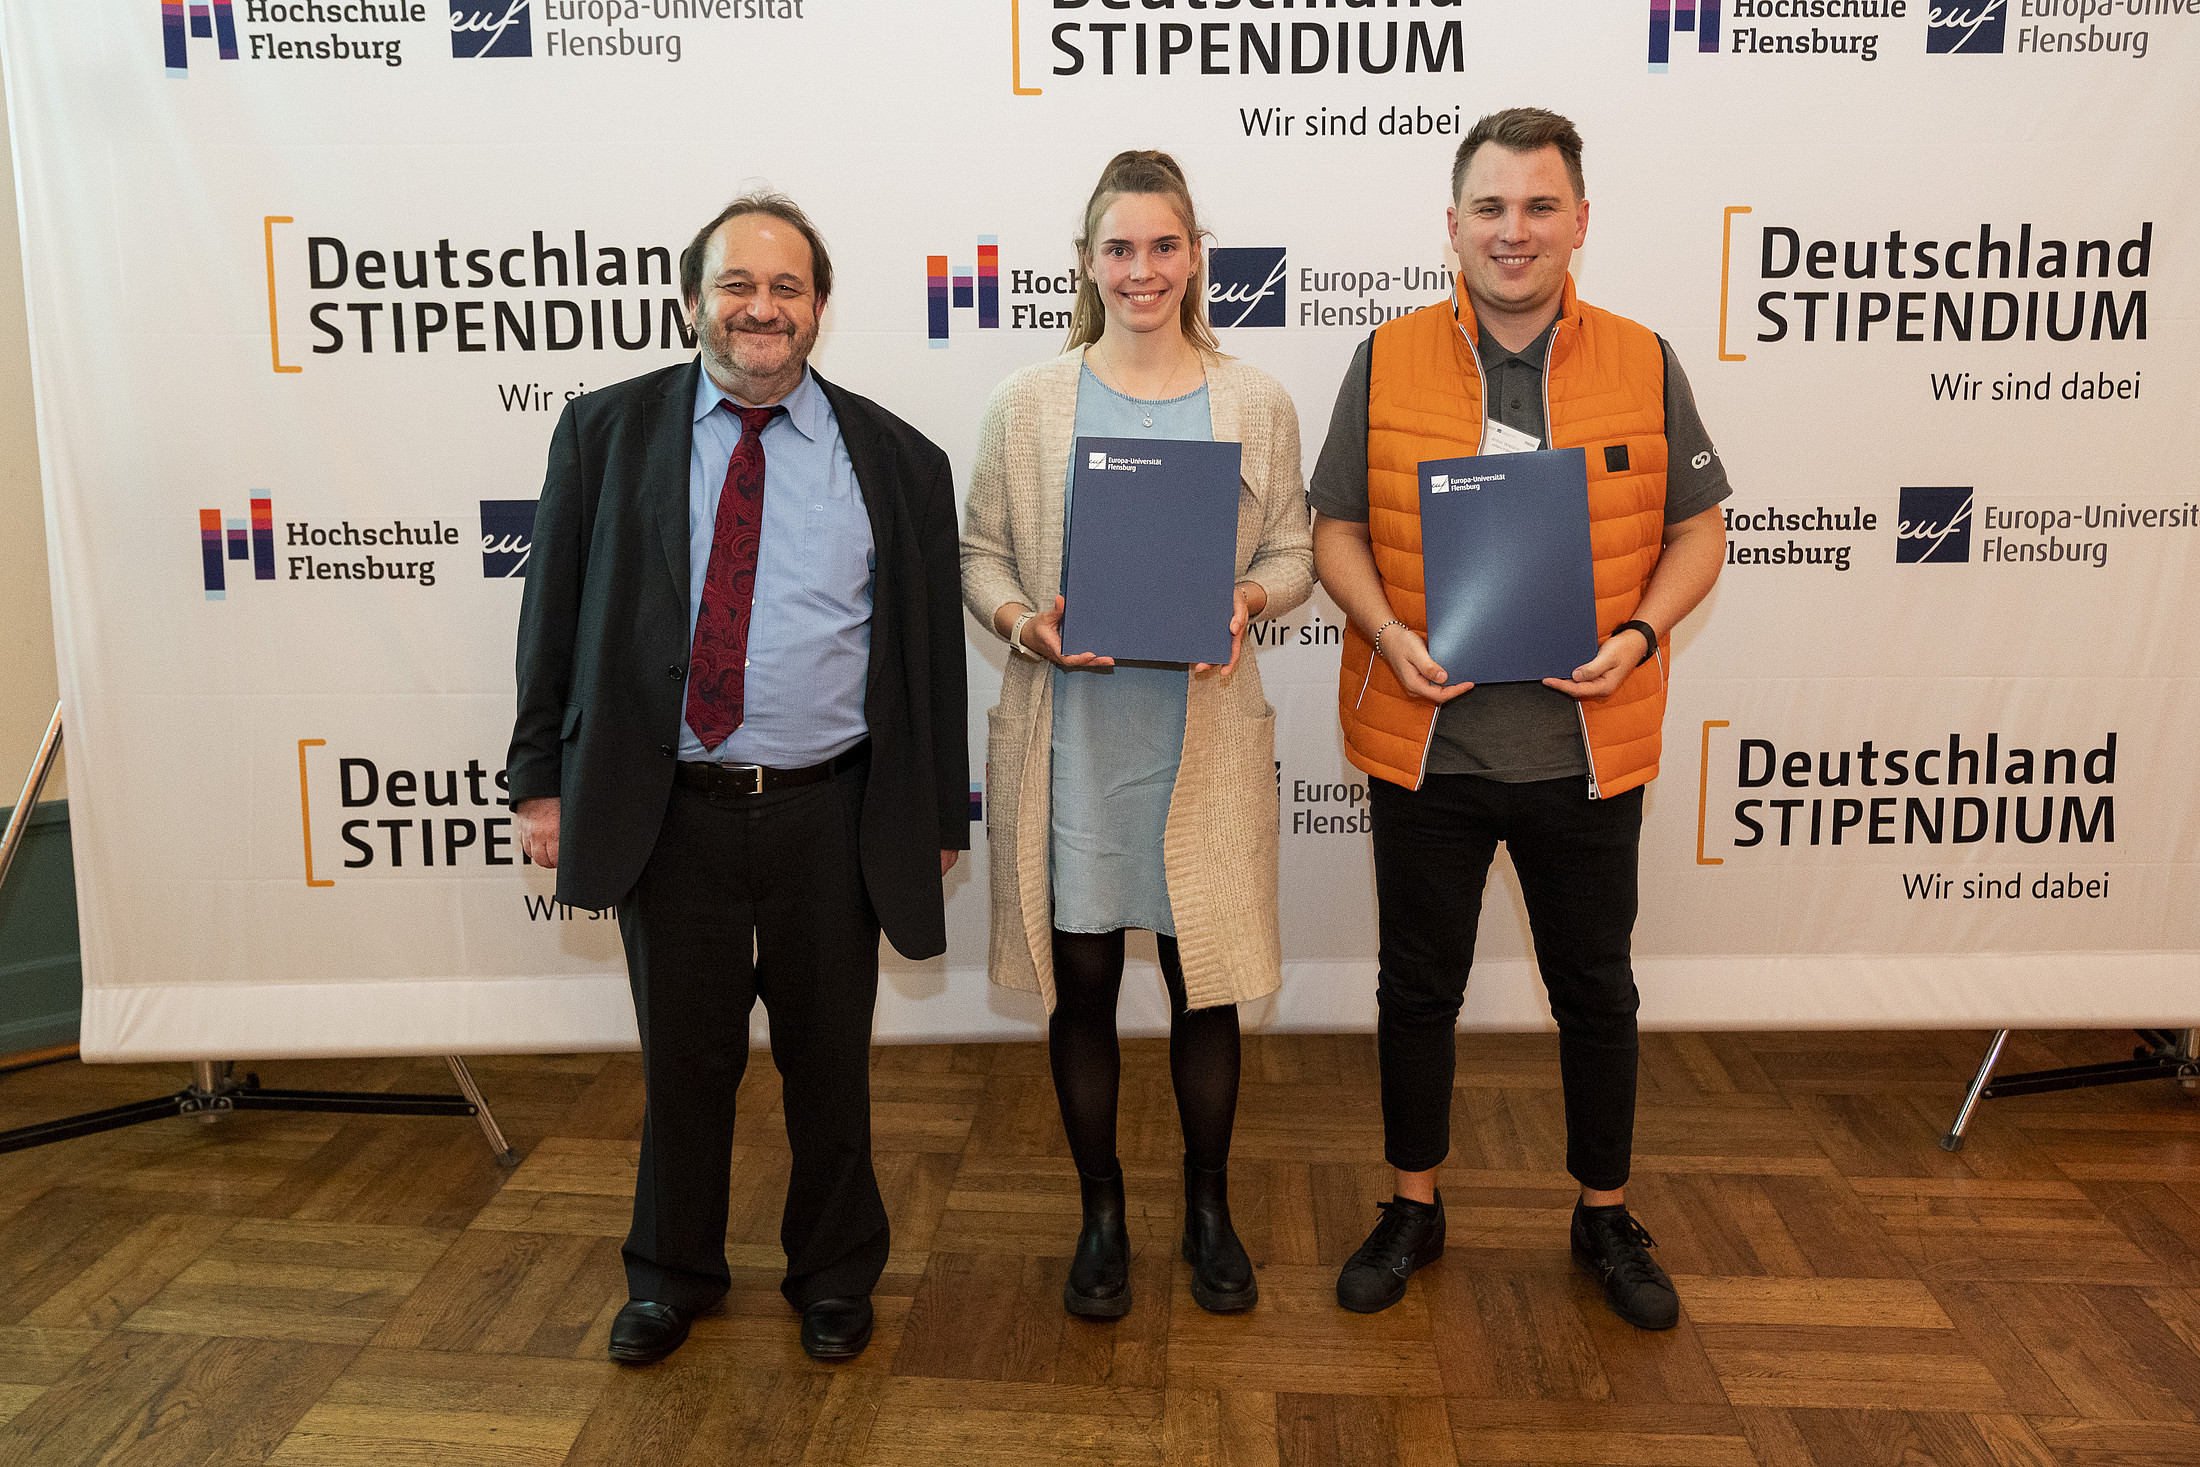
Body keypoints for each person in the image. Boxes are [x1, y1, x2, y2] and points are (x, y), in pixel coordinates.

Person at [505, 191, 967, 1365]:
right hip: (671, 813)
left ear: (819, 308)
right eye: (737, 285)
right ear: (692, 301)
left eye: (786, 287)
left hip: (833, 812)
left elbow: (926, 660)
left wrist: (934, 810)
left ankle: (833, 1274)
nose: (762, 308)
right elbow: (550, 618)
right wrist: (539, 782)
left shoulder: (899, 460)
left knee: (830, 1065)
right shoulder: (605, 434)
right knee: (684, 1064)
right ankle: (670, 1276)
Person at [1308, 108, 1729, 1330]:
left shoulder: (1643, 360)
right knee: (1416, 990)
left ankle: (1605, 1213)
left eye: (1539, 206)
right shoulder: (1385, 359)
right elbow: (1334, 526)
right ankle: (1412, 1206)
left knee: (1595, 992)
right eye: (1490, 207)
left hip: (1583, 751)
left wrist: (1637, 635)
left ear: (1579, 222)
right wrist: (1384, 630)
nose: (1514, 230)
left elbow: (1699, 529)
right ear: (1451, 224)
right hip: (1426, 746)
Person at [961, 150, 1313, 1319]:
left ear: (1196, 257)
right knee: (1084, 988)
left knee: (1206, 988)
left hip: (1201, 741)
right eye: (1119, 248)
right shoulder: (1028, 402)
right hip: (1075, 747)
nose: (1142, 270)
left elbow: (1292, 553)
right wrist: (1026, 625)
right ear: (1087, 262)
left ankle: (1209, 1211)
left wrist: (1245, 600)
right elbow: (979, 554)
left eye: (1164, 246)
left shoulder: (1255, 400)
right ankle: (1101, 1213)